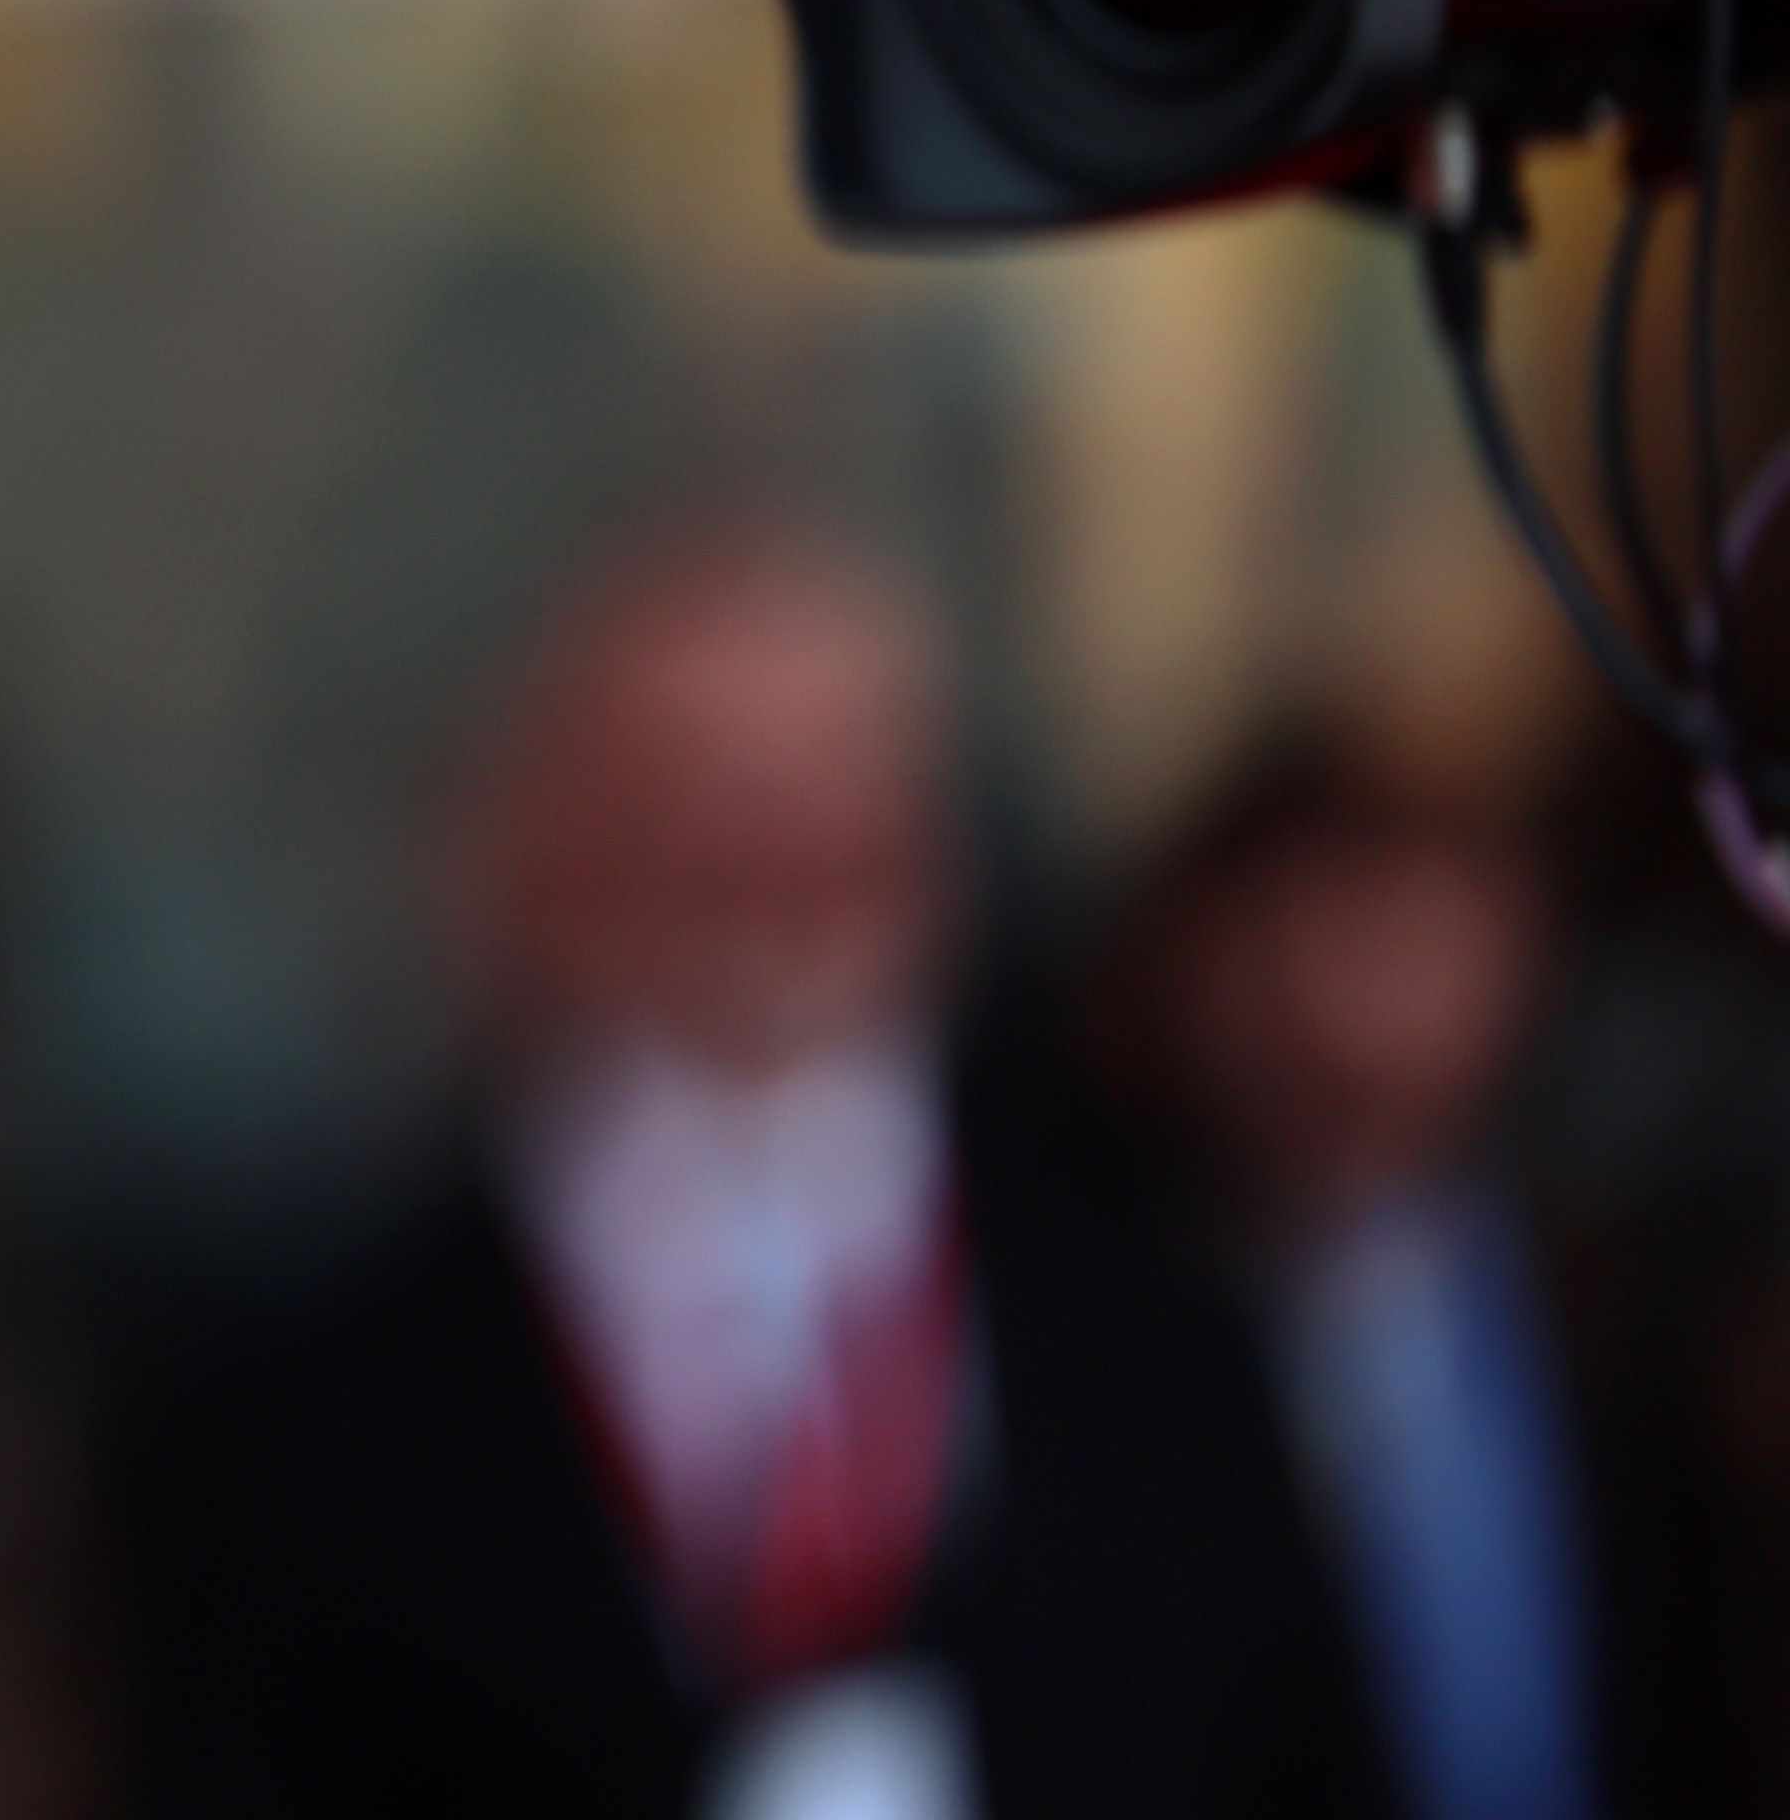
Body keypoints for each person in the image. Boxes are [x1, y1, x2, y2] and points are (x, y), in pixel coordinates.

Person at [118, 522, 1386, 1820]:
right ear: (529, 847)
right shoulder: (295, 1422)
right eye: (690, 780)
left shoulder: (1162, 1340)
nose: (778, 853)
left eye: (844, 775)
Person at [1124, 714, 1727, 1820]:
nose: (1345, 1017)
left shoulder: (1632, 1306)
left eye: (1405, 939)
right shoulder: (1103, 1347)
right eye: (1294, 936)